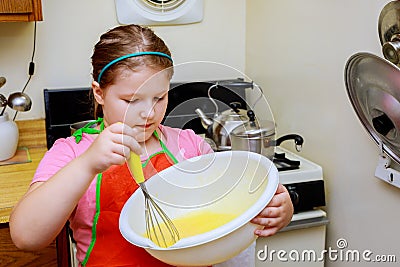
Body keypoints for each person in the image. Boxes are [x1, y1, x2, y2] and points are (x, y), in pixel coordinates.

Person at [9, 24, 293, 266]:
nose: (148, 113)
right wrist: (86, 165)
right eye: (131, 100)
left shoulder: (189, 146)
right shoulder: (72, 153)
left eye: (159, 98)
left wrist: (279, 209)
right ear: (99, 93)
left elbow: (233, 209)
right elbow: (26, 238)